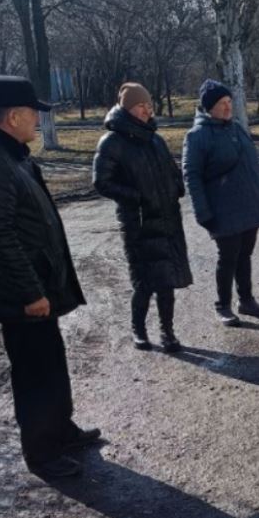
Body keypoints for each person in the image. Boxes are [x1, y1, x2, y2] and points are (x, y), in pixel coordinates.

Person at [0, 76, 99, 478]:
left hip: (38, 288)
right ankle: (43, 453)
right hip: (24, 296)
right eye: (34, 113)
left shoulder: (9, 153)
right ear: (14, 115)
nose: (38, 121)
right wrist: (30, 291)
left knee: (51, 361)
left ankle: (61, 431)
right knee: (34, 373)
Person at [93, 83, 192, 352]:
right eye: (141, 106)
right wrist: (134, 196)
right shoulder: (112, 142)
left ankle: (168, 332)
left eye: (149, 105)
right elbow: (101, 182)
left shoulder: (155, 139)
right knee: (144, 282)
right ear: (127, 108)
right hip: (137, 222)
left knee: (167, 280)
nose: (147, 110)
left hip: (167, 218)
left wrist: (177, 186)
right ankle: (138, 329)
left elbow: (172, 171)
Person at [182, 80, 259, 327]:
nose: (227, 107)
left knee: (245, 254)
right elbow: (191, 175)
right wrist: (203, 212)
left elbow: (252, 163)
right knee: (228, 257)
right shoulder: (197, 136)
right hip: (223, 208)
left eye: (229, 102)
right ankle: (222, 305)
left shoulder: (236, 128)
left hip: (249, 203)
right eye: (222, 103)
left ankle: (246, 300)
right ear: (209, 107)